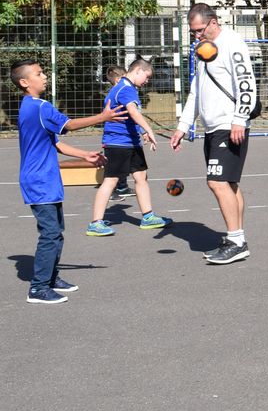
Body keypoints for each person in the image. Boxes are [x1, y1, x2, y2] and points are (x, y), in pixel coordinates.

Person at [11, 59, 125, 304]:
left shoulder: (29, 107)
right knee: (50, 234)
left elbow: (55, 142)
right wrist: (104, 116)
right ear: (24, 82)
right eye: (39, 74)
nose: (44, 77)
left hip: (46, 180)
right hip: (39, 181)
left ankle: (51, 278)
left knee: (56, 232)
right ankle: (38, 288)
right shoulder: (39, 107)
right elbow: (69, 125)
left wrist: (85, 155)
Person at [168, 3, 258, 265]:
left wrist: (239, 119)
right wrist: (183, 126)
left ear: (213, 22)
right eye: (193, 32)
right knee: (229, 184)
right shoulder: (203, 50)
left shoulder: (232, 42)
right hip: (212, 128)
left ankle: (236, 242)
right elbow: (196, 91)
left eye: (200, 30)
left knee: (216, 182)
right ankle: (236, 238)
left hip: (229, 126)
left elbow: (246, 83)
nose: (197, 35)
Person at [87, 58, 171, 235]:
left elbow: (128, 116)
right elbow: (132, 111)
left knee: (141, 176)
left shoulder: (126, 88)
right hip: (118, 143)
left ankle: (148, 216)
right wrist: (149, 129)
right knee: (111, 180)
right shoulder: (125, 89)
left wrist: (141, 131)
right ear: (138, 70)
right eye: (147, 77)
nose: (147, 81)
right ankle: (95, 223)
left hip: (130, 141)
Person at [104, 65, 135, 202]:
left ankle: (122, 187)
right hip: (115, 138)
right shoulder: (116, 94)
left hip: (124, 137)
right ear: (118, 79)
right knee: (113, 170)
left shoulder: (121, 92)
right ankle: (110, 193)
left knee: (123, 166)